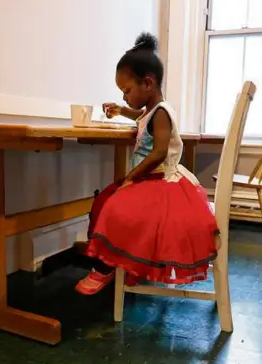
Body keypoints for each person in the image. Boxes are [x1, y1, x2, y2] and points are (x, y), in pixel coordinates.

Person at [75, 32, 219, 295]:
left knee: (110, 204)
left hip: (159, 182)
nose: (124, 97)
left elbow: (159, 153)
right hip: (152, 179)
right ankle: (111, 264)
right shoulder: (155, 109)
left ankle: (105, 268)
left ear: (148, 84)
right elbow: (142, 117)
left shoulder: (161, 113)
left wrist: (131, 177)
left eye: (127, 91)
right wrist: (121, 112)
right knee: (106, 199)